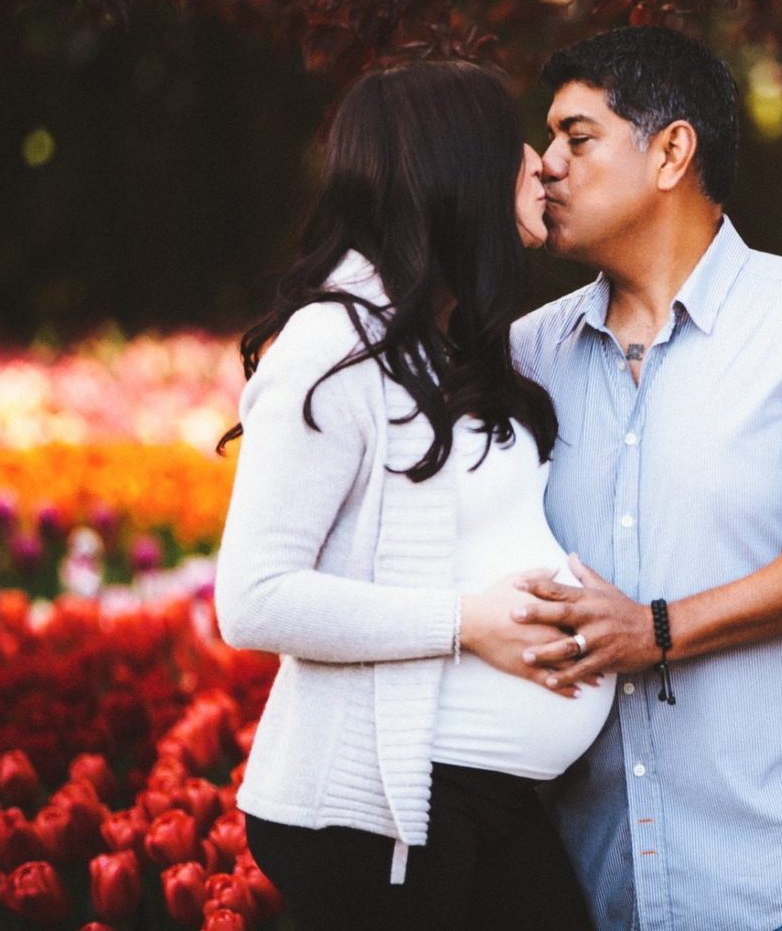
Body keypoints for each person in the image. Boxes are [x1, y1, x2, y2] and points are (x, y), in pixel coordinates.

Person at [510, 26, 782, 930]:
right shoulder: (525, 354)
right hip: (600, 887)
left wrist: (656, 628)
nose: (544, 166)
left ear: (672, 150)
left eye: (575, 137)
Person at [212, 60, 611, 930]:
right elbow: (253, 600)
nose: (542, 163)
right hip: (378, 815)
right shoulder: (329, 347)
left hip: (471, 804)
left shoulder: (432, 340)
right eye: (516, 142)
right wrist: (465, 622)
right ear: (458, 163)